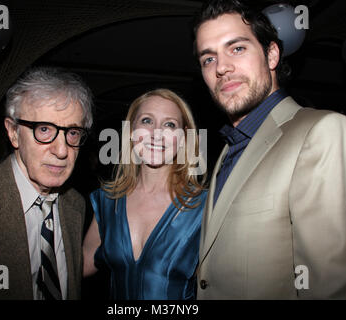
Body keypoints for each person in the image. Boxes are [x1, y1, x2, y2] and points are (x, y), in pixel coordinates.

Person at [194, 0, 346, 299]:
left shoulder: (321, 130)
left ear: (272, 54)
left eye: (237, 48)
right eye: (208, 59)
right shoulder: (228, 150)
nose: (221, 67)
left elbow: (328, 286)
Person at [0, 67, 93, 299]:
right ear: (13, 132)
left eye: (72, 133)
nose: (62, 151)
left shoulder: (75, 205)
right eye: (44, 129)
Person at [82, 88, 207, 299]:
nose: (156, 133)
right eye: (147, 121)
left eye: (169, 124)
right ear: (131, 131)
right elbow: (79, 265)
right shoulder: (108, 201)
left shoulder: (204, 206)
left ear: (184, 137)